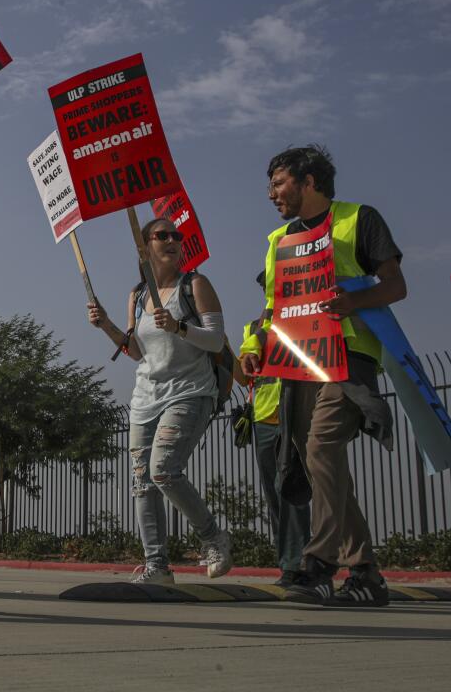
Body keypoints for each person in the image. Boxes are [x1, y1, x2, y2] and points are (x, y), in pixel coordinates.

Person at [240, 145, 405, 607]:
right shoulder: (278, 242)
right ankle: (367, 572)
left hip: (349, 358)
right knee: (321, 465)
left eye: (279, 183)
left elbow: (396, 285)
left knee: (321, 448)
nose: (272, 194)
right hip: (299, 364)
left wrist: (355, 301)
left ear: (309, 182)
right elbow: (273, 309)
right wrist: (257, 350)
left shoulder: (358, 219)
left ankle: (318, 564)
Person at [87, 217, 232, 585]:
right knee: (141, 482)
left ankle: (213, 538)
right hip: (144, 400)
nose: (173, 240)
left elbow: (216, 342)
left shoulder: (195, 285)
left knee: (164, 469)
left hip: (189, 392)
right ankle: (157, 567)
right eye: (162, 235)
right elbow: (136, 350)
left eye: (176, 235)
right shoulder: (137, 296)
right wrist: (105, 325)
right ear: (144, 247)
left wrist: (179, 326)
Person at [232, 311, 311, 588]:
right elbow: (245, 373)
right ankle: (288, 563)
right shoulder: (252, 328)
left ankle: (297, 563)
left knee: (287, 487)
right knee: (274, 494)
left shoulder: (303, 319)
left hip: (296, 412)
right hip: (263, 417)